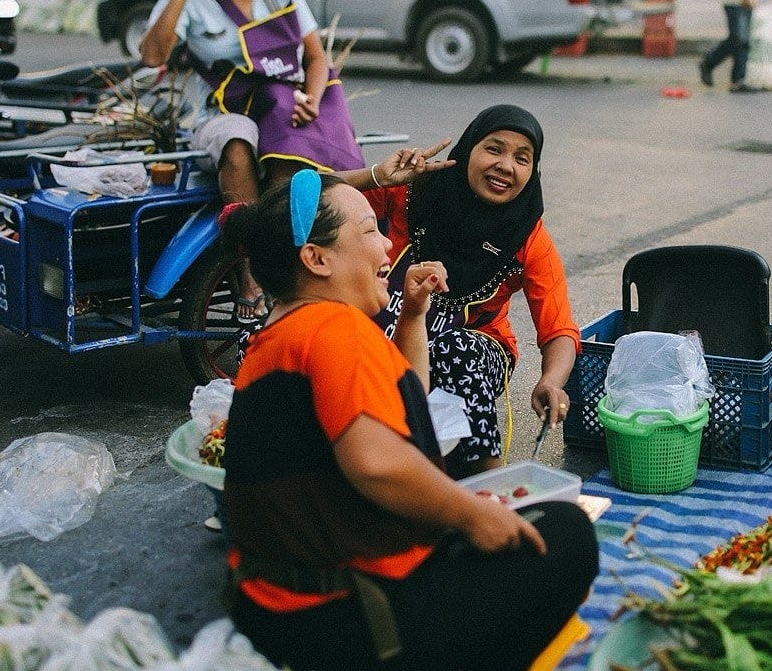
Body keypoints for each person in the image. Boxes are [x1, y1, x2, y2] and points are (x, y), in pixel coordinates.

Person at [219, 170, 598, 671]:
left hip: (276, 609)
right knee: (565, 533)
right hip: (352, 622)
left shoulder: (286, 331)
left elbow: (397, 408)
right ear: (316, 258)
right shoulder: (335, 330)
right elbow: (376, 462)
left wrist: (414, 316)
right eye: (370, 231)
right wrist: (471, 513)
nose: (386, 245)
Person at [140, 0, 365, 321]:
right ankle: (251, 273)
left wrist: (312, 101)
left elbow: (315, 58)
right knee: (239, 142)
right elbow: (152, 55)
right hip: (220, 115)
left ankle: (303, 267)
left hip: (285, 108)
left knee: (304, 171)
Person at [364, 104, 580, 479]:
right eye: (494, 149)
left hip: (473, 348)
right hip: (386, 329)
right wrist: (374, 177)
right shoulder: (411, 192)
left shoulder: (528, 237)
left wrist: (550, 382)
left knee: (453, 351)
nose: (506, 166)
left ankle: (486, 483)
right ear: (467, 150)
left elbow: (559, 329)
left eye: (522, 158)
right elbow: (309, 201)